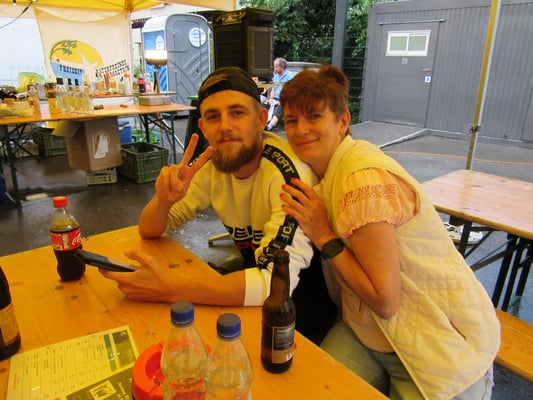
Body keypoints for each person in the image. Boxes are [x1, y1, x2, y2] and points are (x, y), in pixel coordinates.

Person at [278, 65, 500, 400]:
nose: (301, 129)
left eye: (314, 116)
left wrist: (323, 234)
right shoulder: (325, 173)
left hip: (438, 346)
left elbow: (385, 300)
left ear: (342, 121)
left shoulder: (360, 179)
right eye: (291, 120)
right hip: (367, 334)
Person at [100, 67, 336, 341]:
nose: (225, 126)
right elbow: (149, 230)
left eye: (237, 113)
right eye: (214, 116)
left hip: (297, 312)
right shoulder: (213, 164)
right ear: (203, 127)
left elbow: (274, 285)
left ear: (261, 120)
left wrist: (171, 288)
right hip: (248, 287)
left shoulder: (287, 176)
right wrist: (163, 201)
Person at [265, 57, 293, 131]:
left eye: (276, 66)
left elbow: (290, 91)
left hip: (285, 98)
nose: (274, 68)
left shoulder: (289, 75)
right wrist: (270, 99)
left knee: (279, 107)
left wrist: (281, 100)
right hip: (275, 98)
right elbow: (273, 90)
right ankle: (263, 122)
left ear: (282, 66)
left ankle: (270, 125)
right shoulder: (275, 76)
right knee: (264, 104)